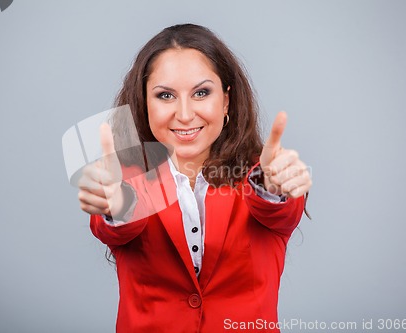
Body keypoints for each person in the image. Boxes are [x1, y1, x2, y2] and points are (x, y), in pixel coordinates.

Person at [77, 24, 312, 333]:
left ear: (226, 101)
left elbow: (276, 207)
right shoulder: (123, 181)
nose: (185, 114)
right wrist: (117, 204)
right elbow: (118, 221)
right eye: (165, 96)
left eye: (201, 93)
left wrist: (273, 188)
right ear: (144, 104)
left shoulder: (265, 177)